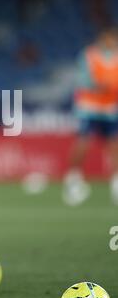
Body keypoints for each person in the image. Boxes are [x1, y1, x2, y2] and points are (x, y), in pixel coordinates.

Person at [63, 28, 118, 205]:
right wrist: (100, 85)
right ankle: (73, 177)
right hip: (89, 106)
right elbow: (83, 80)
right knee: (83, 142)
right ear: (102, 38)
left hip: (109, 108)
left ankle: (115, 183)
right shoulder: (89, 55)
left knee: (113, 145)